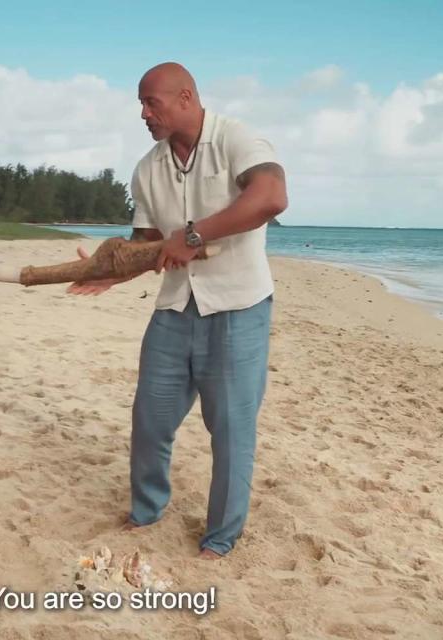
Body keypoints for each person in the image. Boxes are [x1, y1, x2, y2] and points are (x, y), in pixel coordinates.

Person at [69, 62, 288, 559]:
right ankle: (147, 510)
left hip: (238, 306)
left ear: (186, 97)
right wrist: (108, 269)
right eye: (141, 105)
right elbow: (149, 245)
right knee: (150, 419)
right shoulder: (148, 168)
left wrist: (193, 235)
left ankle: (220, 537)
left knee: (231, 429)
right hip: (173, 307)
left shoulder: (238, 139)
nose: (144, 114)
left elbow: (271, 197)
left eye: (152, 103)